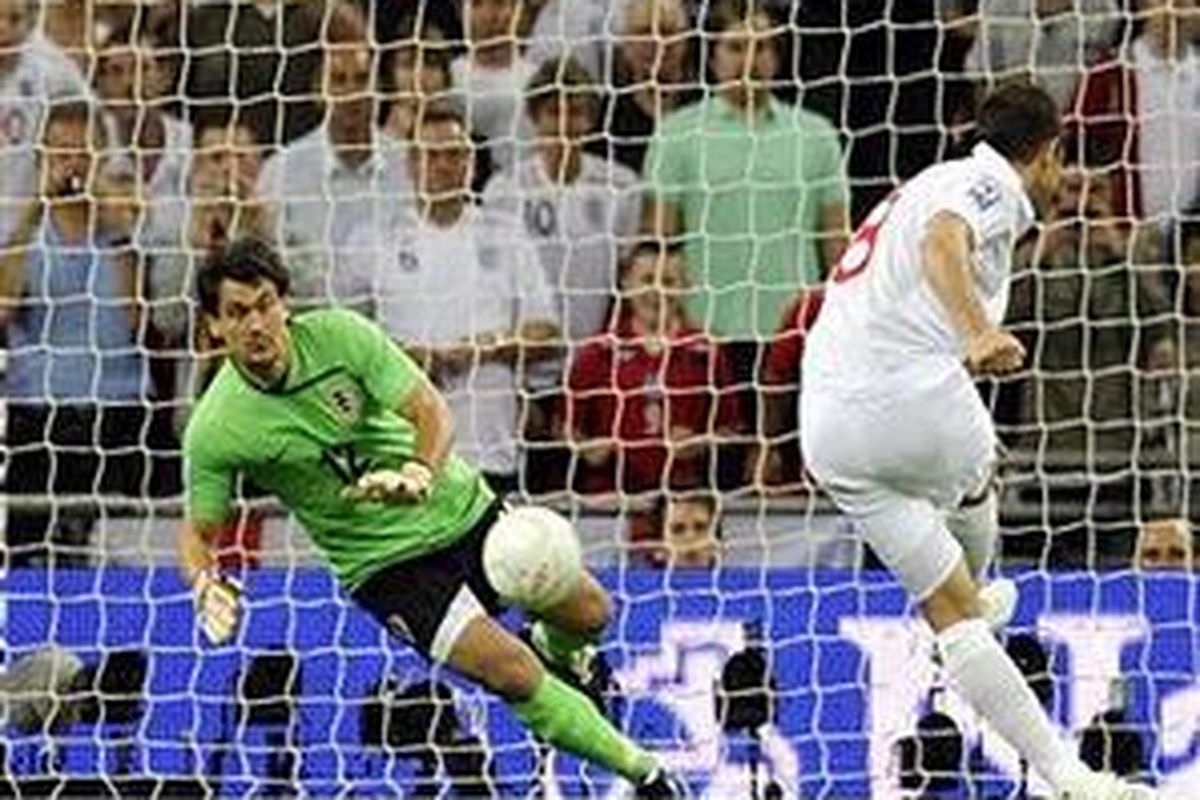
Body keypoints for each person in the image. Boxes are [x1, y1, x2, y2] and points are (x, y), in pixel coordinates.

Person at [178, 236, 685, 798]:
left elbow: (430, 410)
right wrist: (205, 582)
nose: (257, 324)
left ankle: (565, 653)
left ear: (284, 305)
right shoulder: (216, 427)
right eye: (237, 312)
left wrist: (419, 472)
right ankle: (649, 775)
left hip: (460, 508)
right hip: (387, 567)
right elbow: (199, 533)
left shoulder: (341, 335)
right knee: (512, 672)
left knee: (592, 612)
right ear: (213, 328)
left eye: (266, 304)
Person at [800, 83, 1153, 799]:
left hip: (828, 428)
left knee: (955, 619)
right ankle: (984, 584)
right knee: (978, 469)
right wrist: (976, 331)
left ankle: (1069, 779)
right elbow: (943, 240)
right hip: (909, 395)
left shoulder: (925, 180)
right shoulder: (986, 183)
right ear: (1047, 154)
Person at [353, 104, 560, 494]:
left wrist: (488, 347)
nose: (444, 165)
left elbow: (546, 330)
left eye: (455, 154)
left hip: (490, 446)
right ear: (412, 163)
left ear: (471, 162)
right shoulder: (373, 239)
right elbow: (350, 339)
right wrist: (404, 357)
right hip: (403, 450)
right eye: (432, 155)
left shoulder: (506, 233)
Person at [0, 101, 152, 568]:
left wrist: (120, 229)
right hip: (39, 411)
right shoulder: (26, 233)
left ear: (102, 157)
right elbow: (2, 311)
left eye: (82, 152)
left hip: (117, 411)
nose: (72, 164)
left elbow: (135, 321)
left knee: (111, 554)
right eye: (61, 152)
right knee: (28, 552)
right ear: (43, 156)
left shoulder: (121, 235)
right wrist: (33, 209)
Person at [643, 0, 849, 343]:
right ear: (713, 57)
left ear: (778, 57)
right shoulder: (676, 133)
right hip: (704, 331)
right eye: (736, 47)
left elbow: (836, 243)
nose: (750, 60)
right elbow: (660, 243)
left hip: (796, 329)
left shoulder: (817, 134)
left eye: (762, 47)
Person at [255, 4, 410, 303]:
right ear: (318, 90)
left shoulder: (409, 166)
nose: (352, 92)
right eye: (338, 80)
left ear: (379, 87)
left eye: (362, 79)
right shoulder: (281, 171)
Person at [567, 243, 741, 494]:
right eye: (648, 280)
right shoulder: (598, 353)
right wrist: (588, 449)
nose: (658, 291)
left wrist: (700, 443)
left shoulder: (706, 352)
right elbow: (566, 427)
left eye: (669, 281)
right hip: (611, 496)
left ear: (685, 287)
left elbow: (731, 427)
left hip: (685, 498)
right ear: (625, 284)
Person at [449, 0, 538, 175]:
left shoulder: (539, 80)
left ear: (517, 10)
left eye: (499, 3)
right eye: (477, 4)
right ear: (461, 13)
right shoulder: (447, 80)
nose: (489, 15)